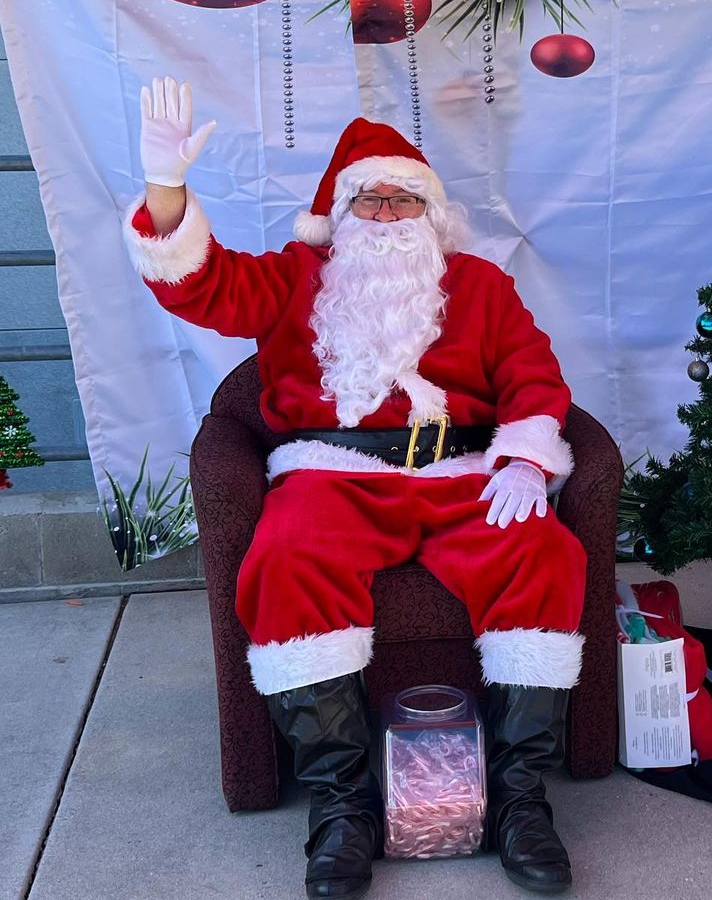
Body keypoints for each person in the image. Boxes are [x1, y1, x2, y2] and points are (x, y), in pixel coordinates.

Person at [123, 76, 587, 899]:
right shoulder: (295, 279)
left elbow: (531, 372)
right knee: (287, 559)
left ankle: (520, 800)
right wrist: (167, 189)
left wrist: (523, 456)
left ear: (431, 218)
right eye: (367, 201)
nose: (383, 215)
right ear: (337, 216)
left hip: (462, 473)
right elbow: (204, 286)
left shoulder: (479, 286)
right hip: (331, 475)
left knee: (543, 551)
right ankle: (343, 808)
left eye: (401, 203)